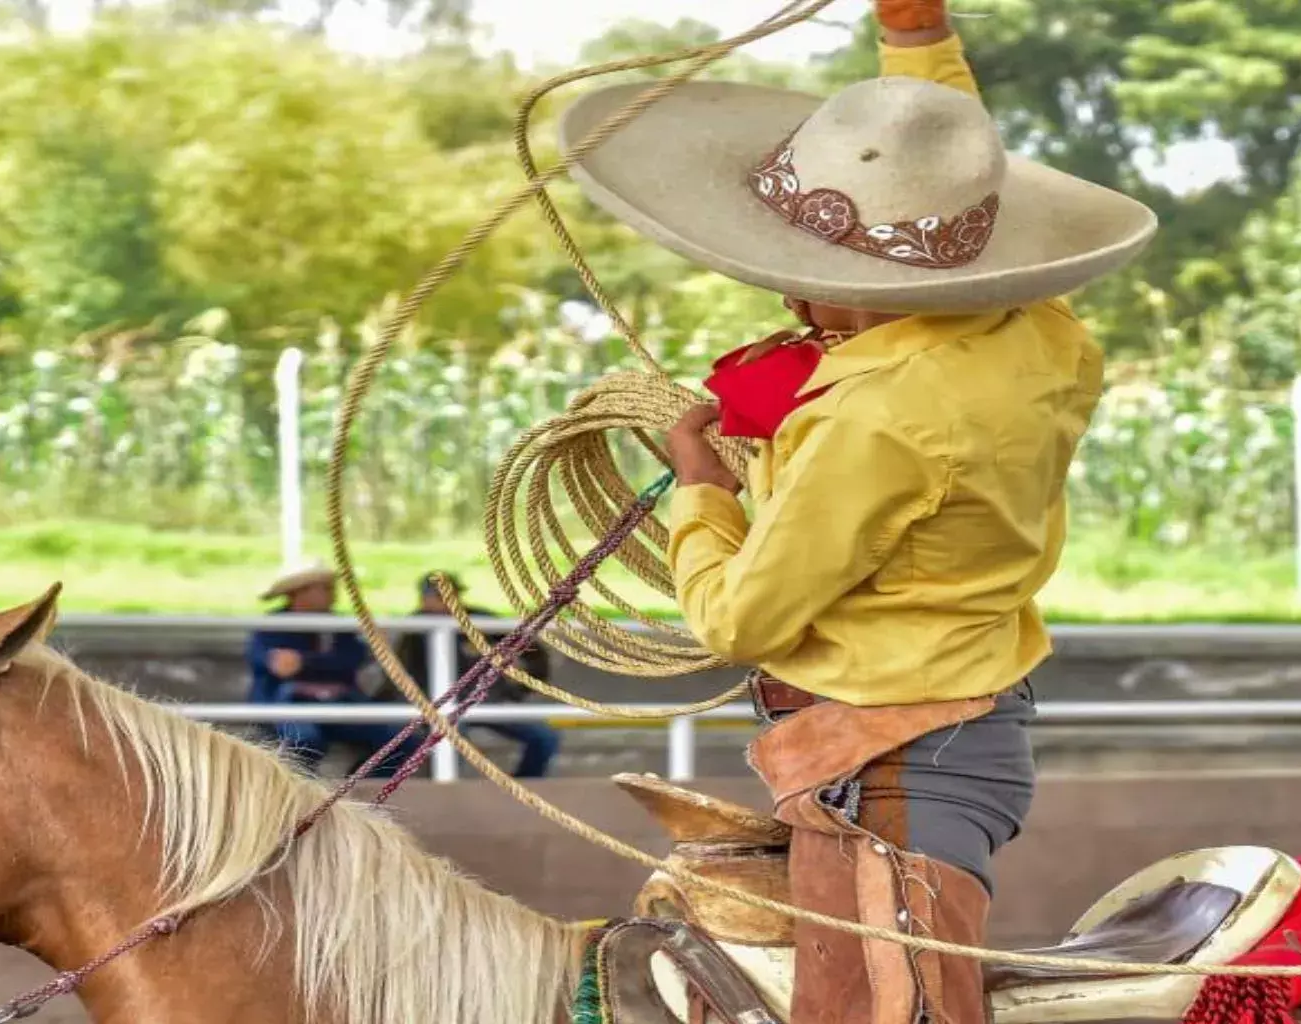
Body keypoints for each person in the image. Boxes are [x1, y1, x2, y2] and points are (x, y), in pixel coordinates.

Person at [560, 3, 1157, 1022]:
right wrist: (917, 34)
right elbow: (941, 149)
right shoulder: (1033, 322)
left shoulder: (883, 417)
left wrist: (700, 476)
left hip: (891, 765)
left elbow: (741, 620)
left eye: (814, 282)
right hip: (931, 738)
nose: (795, 303)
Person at [247, 565, 424, 777]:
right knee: (304, 741)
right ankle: (299, 796)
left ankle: (363, 788)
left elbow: (351, 659)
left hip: (341, 701)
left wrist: (304, 662)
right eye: (324, 588)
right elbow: (281, 666)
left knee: (403, 738)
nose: (333, 593)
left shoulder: (340, 626)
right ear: (299, 593)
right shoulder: (271, 626)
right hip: (291, 702)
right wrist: (324, 663)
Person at [391, 572, 561, 778]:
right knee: (451, 740)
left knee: (544, 737)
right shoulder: (415, 629)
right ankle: (450, 793)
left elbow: (532, 652)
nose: (439, 602)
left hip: (488, 700)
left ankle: (523, 786)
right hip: (442, 705)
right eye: (433, 596)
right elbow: (399, 670)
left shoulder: (480, 619)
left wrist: (518, 687)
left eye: (446, 595)